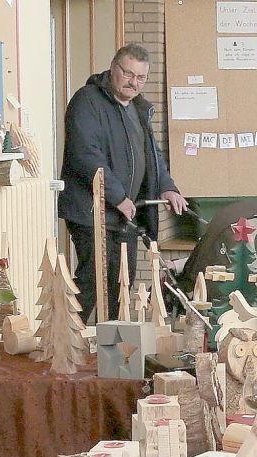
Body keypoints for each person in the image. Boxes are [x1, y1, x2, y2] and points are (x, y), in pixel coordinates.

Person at [60, 43, 188, 322]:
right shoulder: (87, 101)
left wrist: (168, 186)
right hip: (92, 212)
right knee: (94, 279)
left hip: (124, 215)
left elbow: (152, 156)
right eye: (128, 74)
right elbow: (85, 154)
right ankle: (66, 342)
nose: (134, 82)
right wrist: (117, 195)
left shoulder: (138, 109)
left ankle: (112, 348)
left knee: (122, 282)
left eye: (141, 77)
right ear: (113, 68)